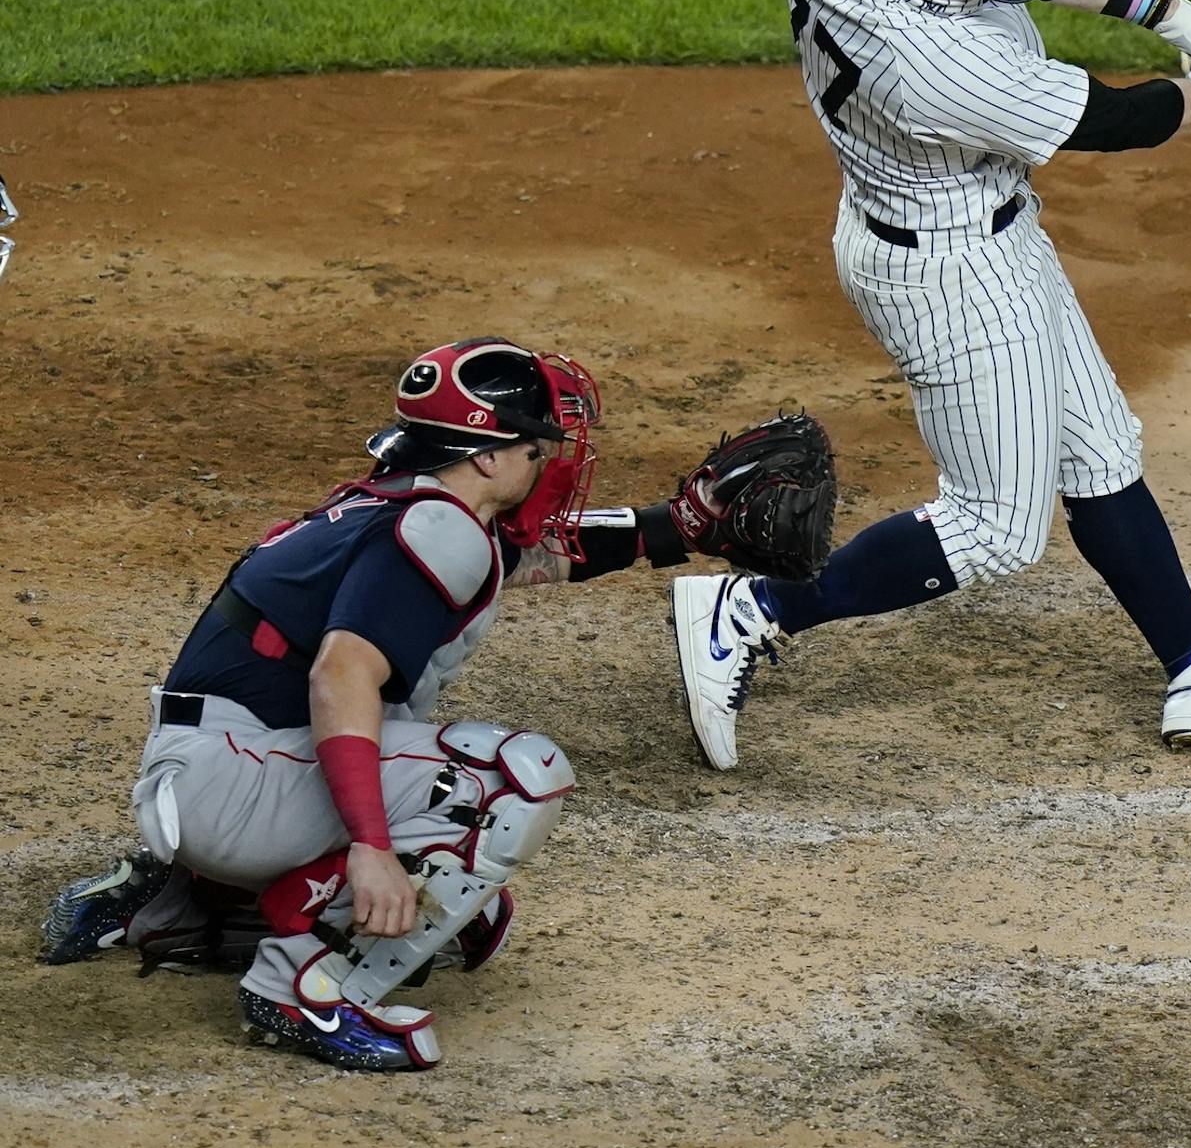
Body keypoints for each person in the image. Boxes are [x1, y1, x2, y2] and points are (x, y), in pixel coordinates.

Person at [672, 0, 1191, 772]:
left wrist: (1181, 17)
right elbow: (1120, 121)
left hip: (978, 231)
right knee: (995, 527)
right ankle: (752, 609)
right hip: (948, 275)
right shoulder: (936, 66)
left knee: (1101, 451)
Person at [40, 339, 834, 1071]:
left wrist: (681, 526)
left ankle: (186, 907)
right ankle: (303, 990)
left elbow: (539, 553)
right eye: (537, 447)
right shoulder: (434, 531)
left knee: (466, 918)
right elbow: (338, 676)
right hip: (235, 786)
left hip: (212, 771)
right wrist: (371, 847)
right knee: (512, 781)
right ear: (488, 457)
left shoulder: (406, 505)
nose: (551, 462)